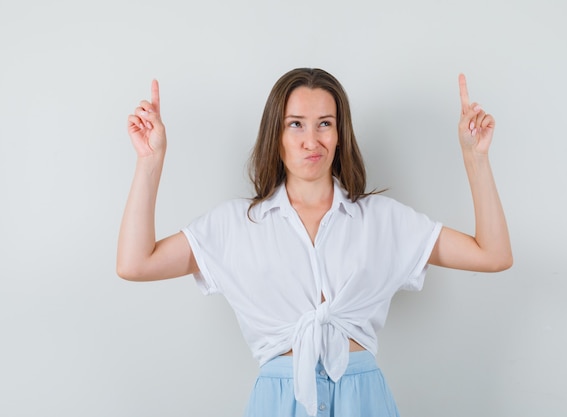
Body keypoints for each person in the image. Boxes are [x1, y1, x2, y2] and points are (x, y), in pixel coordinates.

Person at [117, 68, 512, 417]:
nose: (312, 140)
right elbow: (135, 264)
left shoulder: (382, 219)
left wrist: (475, 158)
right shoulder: (234, 225)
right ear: (276, 135)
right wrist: (149, 162)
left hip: (364, 401)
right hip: (277, 402)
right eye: (296, 124)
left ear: (341, 135)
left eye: (325, 123)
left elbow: (492, 255)